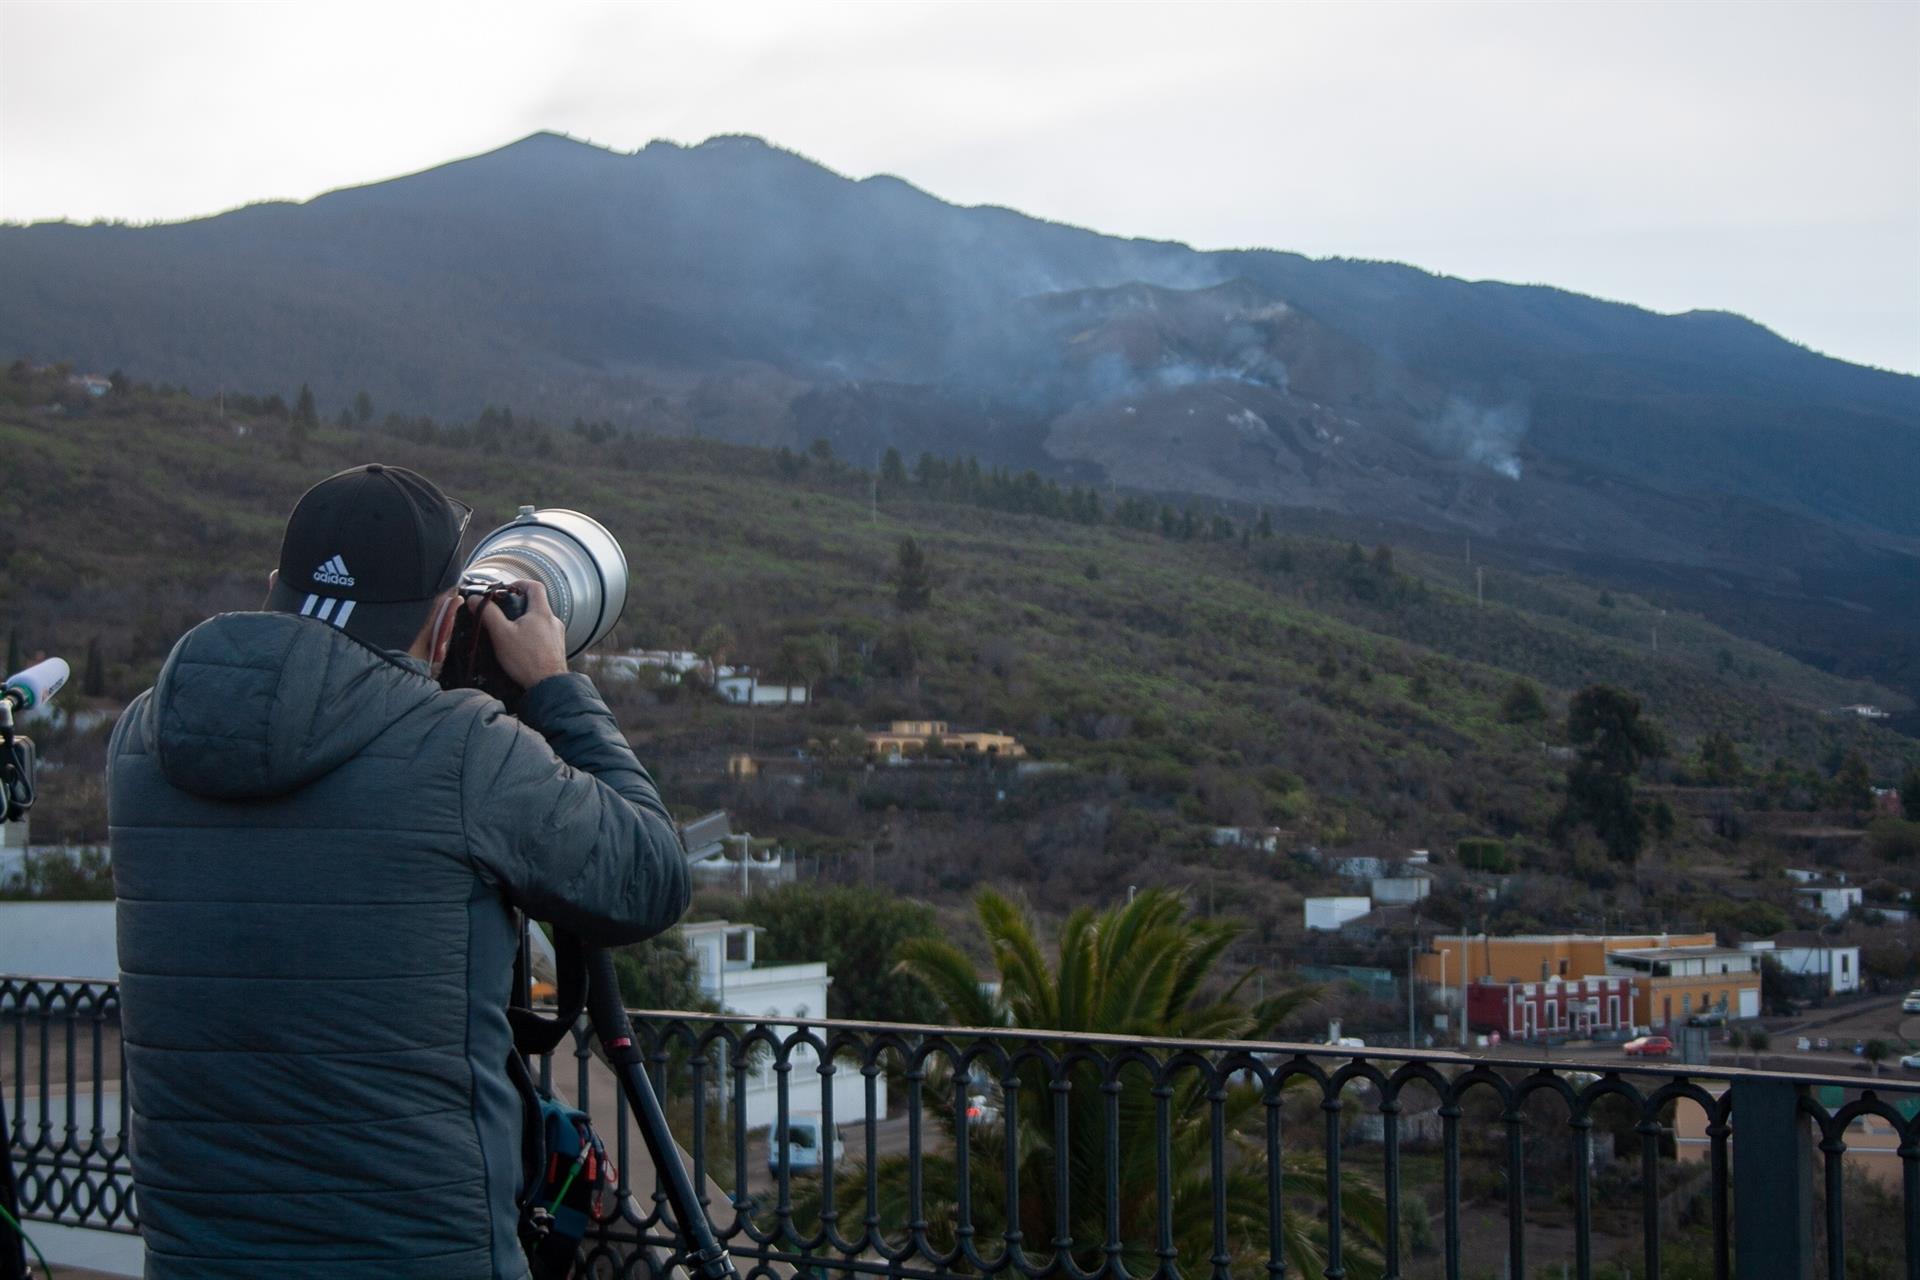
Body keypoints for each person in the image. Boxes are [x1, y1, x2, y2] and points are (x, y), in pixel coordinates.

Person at [108, 463, 690, 1280]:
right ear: (448, 619)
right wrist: (554, 686)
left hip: (200, 1251)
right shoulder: (459, 752)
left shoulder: (143, 739)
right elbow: (652, 877)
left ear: (274, 587)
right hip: (421, 1249)